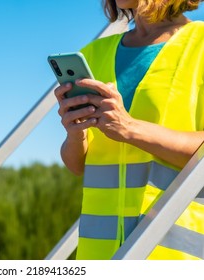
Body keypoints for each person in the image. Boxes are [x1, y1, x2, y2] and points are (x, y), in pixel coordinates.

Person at [54, 0, 204, 260]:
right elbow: (77, 165)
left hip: (173, 256)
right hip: (98, 256)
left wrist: (129, 128)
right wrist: (74, 134)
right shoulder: (93, 53)